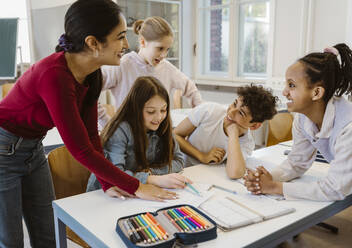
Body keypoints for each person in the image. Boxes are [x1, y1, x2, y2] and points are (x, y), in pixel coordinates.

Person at [0, 1, 175, 246]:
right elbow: (79, 149)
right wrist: (136, 186)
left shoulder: (93, 74)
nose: (126, 45)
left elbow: (92, 137)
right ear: (93, 43)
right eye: (120, 37)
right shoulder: (54, 75)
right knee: (11, 240)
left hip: (32, 147)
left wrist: (106, 183)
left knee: (46, 234)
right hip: (4, 149)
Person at [244, 43, 352, 201]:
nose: (284, 92)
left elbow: (334, 189)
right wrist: (266, 178)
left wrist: (274, 187)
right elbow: (297, 163)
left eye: (291, 85)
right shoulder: (303, 118)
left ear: (316, 92)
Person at [87, 76, 192, 191]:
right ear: (136, 109)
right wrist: (152, 179)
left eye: (163, 110)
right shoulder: (120, 130)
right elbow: (115, 174)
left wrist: (151, 173)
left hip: (137, 190)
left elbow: (178, 160)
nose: (159, 117)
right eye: (151, 111)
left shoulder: (163, 126)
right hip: (105, 192)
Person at [98, 16, 203, 129]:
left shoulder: (167, 68)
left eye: (167, 49)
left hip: (157, 134)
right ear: (143, 42)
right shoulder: (123, 65)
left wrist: (200, 117)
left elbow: (190, 87)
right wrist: (106, 122)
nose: (164, 55)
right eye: (160, 48)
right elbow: (91, 92)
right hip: (128, 136)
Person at [174, 85, 278, 179]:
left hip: (207, 177)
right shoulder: (209, 111)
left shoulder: (247, 143)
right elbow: (175, 134)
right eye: (234, 104)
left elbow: (235, 173)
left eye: (241, 113)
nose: (231, 112)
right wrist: (202, 156)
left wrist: (233, 134)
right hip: (182, 170)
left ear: (255, 125)